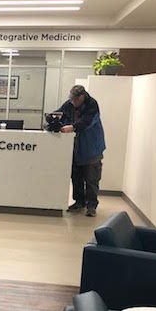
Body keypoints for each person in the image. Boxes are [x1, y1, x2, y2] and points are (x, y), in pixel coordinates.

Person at [58, 84, 106, 217]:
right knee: (76, 177)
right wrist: (52, 120)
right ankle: (79, 202)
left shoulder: (92, 105)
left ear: (82, 96)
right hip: (75, 148)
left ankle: (91, 206)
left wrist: (72, 127)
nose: (73, 103)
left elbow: (87, 122)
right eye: (71, 99)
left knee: (92, 179)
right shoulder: (69, 104)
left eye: (75, 100)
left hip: (92, 147)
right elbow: (59, 114)